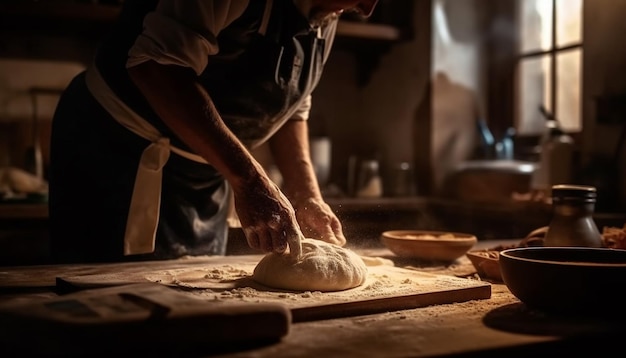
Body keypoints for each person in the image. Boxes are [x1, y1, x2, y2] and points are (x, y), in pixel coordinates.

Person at [49, 0, 379, 264]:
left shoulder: (329, 10)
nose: (367, 9)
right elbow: (157, 68)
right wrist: (249, 179)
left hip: (208, 173)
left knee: (197, 299)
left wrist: (306, 193)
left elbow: (292, 107)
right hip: (120, 156)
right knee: (117, 306)